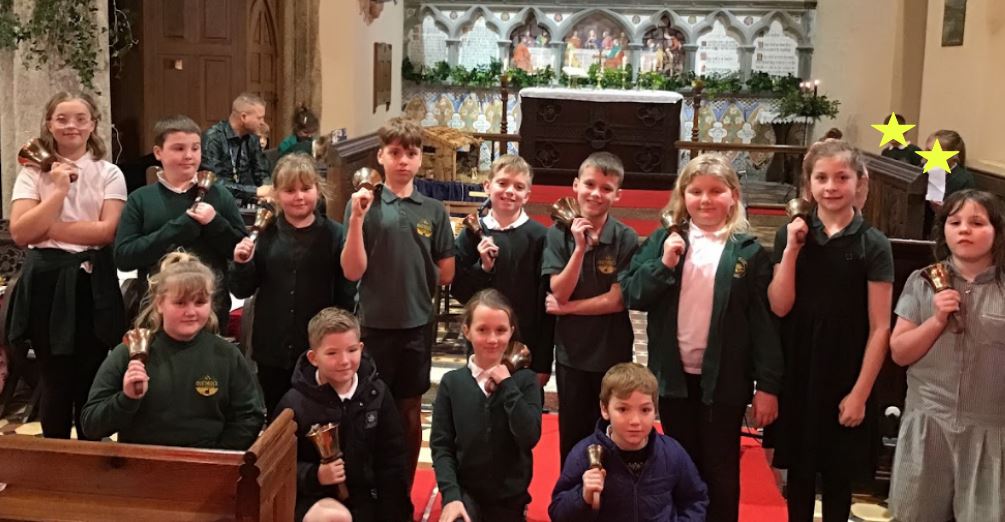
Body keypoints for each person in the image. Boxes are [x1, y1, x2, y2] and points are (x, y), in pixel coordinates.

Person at [619, 153, 783, 522]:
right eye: (696, 191)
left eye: (715, 191)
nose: (705, 200)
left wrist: (767, 385)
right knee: (679, 462)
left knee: (721, 468)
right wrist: (664, 264)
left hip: (725, 380)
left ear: (733, 196)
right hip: (674, 377)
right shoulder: (666, 239)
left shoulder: (749, 251)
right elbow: (633, 294)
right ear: (683, 196)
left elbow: (763, 324)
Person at [766, 140, 894, 522]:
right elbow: (779, 305)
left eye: (842, 177)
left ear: (860, 183)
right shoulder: (792, 235)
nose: (831, 186)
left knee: (838, 478)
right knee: (800, 476)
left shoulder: (873, 244)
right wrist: (790, 250)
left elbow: (880, 326)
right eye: (821, 178)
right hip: (801, 368)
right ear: (808, 186)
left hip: (846, 370)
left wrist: (860, 393)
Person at [341, 116, 455, 487]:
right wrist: (357, 219)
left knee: (409, 410)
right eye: (395, 153)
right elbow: (352, 271)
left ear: (420, 159)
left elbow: (447, 272)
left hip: (417, 324)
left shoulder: (434, 210)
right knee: (370, 407)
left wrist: (417, 274)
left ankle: (401, 489)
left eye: (411, 153)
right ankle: (371, 484)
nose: (403, 160)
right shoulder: (364, 204)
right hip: (374, 323)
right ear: (381, 157)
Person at [7, 91, 128, 440]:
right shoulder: (32, 174)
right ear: (49, 124)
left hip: (92, 281)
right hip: (47, 281)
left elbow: (104, 232)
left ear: (92, 125)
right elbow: (19, 232)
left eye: (79, 118)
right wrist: (58, 192)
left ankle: (90, 459)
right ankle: (56, 459)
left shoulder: (109, 173)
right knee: (54, 377)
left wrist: (43, 226)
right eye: (62, 118)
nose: (71, 125)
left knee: (91, 373)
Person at [888, 190, 1005, 522]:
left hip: (992, 430)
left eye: (977, 222)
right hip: (929, 422)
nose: (964, 230)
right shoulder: (922, 282)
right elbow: (899, 352)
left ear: (997, 231)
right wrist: (937, 319)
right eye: (955, 222)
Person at [81, 252, 265, 449]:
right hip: (141, 465)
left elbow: (249, 417)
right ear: (160, 304)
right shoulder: (129, 352)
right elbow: (91, 425)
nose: (191, 312)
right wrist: (126, 399)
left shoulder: (227, 355)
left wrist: (217, 458)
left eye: (200, 302)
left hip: (207, 468)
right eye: (180, 303)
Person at [230, 153, 356, 415]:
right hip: (272, 348)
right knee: (277, 417)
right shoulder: (264, 235)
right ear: (276, 195)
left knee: (319, 416)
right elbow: (243, 289)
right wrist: (242, 263)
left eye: (306, 189)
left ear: (318, 190)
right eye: (289, 190)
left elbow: (346, 295)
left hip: (319, 348)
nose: (299, 196)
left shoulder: (335, 234)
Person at [541, 151, 639, 465]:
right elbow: (558, 288)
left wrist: (567, 309)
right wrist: (580, 248)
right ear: (575, 185)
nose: (596, 193)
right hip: (572, 352)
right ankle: (572, 499)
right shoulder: (557, 233)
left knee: (613, 431)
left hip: (612, 351)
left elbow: (616, 300)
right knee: (572, 432)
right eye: (590, 184)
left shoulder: (625, 237)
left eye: (606, 188)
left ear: (618, 194)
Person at [275, 307, 411, 522]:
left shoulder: (378, 394)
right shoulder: (293, 404)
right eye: (332, 353)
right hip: (315, 497)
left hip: (366, 497)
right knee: (334, 518)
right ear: (313, 357)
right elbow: (279, 468)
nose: (344, 361)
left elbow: (392, 459)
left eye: (352, 350)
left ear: (361, 348)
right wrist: (314, 475)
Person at [114, 115, 246, 332]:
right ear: (158, 153)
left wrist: (215, 223)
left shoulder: (219, 196)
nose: (189, 156)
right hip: (157, 313)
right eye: (178, 148)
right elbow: (124, 257)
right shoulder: (141, 199)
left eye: (195, 148)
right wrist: (177, 229)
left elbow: (241, 251)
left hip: (209, 310)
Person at [431, 289, 542, 522]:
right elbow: (442, 447)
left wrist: (508, 386)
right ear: (466, 331)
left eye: (500, 330)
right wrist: (451, 496)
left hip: (509, 499)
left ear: (511, 331)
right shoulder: (453, 383)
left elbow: (529, 436)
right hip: (465, 495)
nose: (492, 339)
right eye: (482, 330)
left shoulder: (525, 381)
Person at [549, 362, 708, 521]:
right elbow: (558, 512)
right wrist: (582, 496)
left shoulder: (672, 453)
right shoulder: (584, 454)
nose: (635, 421)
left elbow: (695, 500)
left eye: (645, 410)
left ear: (655, 410)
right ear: (605, 409)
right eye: (623, 409)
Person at [452, 155, 554, 388]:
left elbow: (545, 305)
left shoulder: (541, 237)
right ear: (488, 186)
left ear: (527, 195)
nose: (510, 191)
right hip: (481, 344)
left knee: (521, 415)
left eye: (518, 187)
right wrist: (483, 268)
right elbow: (459, 292)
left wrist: (543, 362)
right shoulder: (471, 233)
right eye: (502, 183)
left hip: (525, 344)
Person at [201, 92, 273, 205]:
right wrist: (255, 191)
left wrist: (268, 190)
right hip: (218, 202)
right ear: (243, 117)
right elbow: (214, 182)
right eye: (260, 118)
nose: (262, 123)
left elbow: (262, 172)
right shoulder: (213, 138)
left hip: (249, 201)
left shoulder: (253, 138)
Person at [922, 129, 977, 238]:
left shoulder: (963, 179)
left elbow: (966, 211)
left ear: (954, 156)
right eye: (928, 151)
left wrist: (944, 209)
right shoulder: (922, 171)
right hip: (923, 227)